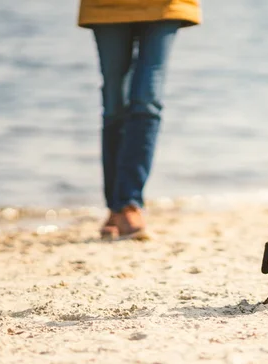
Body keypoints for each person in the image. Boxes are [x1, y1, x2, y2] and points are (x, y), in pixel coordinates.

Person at [78, 0, 202, 239]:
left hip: (165, 5)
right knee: (114, 105)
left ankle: (129, 203)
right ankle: (116, 208)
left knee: (147, 99)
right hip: (106, 6)